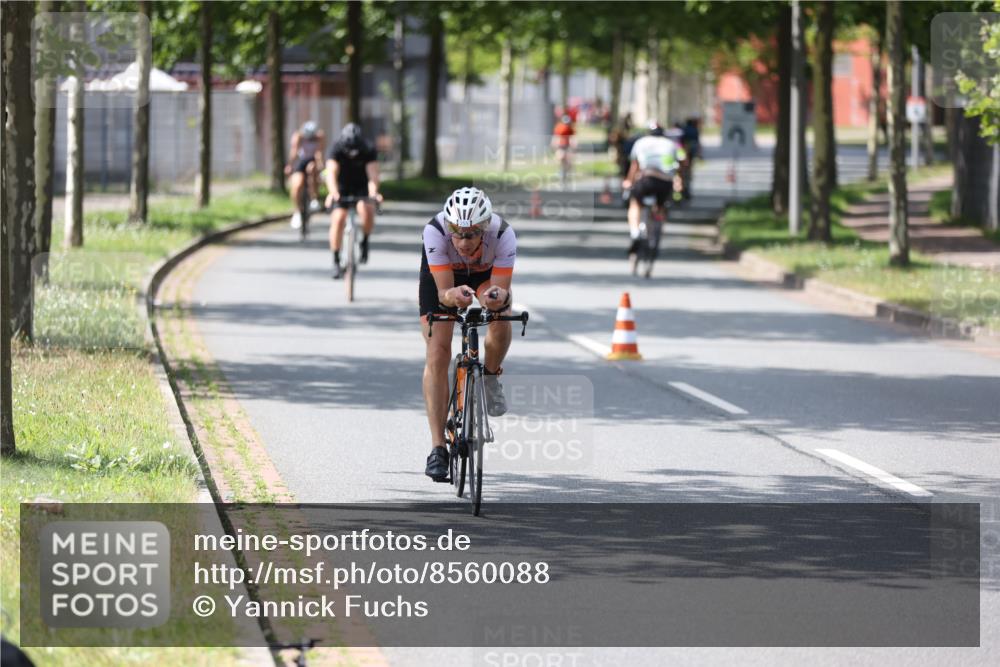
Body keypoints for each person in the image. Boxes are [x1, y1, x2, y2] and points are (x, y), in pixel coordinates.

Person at [420, 187, 517, 481]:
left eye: (471, 234)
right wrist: (452, 296)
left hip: (484, 274)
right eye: (457, 233)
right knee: (437, 352)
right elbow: (443, 293)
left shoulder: (503, 235)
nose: (462, 241)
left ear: (484, 229)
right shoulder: (435, 231)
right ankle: (438, 448)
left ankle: (489, 376)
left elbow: (499, 291)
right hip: (445, 277)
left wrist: (495, 298)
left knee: (501, 314)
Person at [325, 123, 381, 279]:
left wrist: (374, 192)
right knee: (338, 219)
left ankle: (365, 240)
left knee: (366, 210)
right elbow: (331, 173)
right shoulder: (336, 148)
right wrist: (333, 193)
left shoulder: (368, 149)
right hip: (341, 187)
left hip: (361, 186)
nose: (352, 154)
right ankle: (336, 260)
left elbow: (373, 174)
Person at [621, 121, 686, 255]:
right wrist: (679, 182)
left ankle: (635, 233)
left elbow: (635, 165)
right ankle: (656, 235)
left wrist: (628, 181)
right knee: (661, 207)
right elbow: (679, 164)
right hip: (665, 181)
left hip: (646, 178)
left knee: (635, 204)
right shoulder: (671, 144)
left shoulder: (641, 142)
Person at [285, 121, 325, 229]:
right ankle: (297, 211)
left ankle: (314, 198)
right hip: (301, 162)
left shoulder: (319, 137)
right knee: (297, 186)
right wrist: (289, 165)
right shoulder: (298, 137)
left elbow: (319, 153)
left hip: (312, 161)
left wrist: (321, 167)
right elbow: (294, 152)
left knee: (311, 169)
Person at [551, 114, 576, 183]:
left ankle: (568, 173)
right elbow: (556, 137)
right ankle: (561, 174)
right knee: (560, 159)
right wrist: (553, 145)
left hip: (567, 146)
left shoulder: (571, 129)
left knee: (568, 161)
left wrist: (573, 147)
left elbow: (572, 138)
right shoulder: (558, 128)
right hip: (560, 146)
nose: (566, 124)